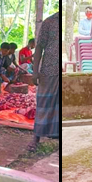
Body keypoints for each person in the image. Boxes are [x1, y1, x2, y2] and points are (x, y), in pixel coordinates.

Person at [30, 13, 62, 151]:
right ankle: (36, 136)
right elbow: (39, 47)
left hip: (59, 70)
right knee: (44, 103)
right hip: (48, 70)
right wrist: (35, 72)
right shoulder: (49, 22)